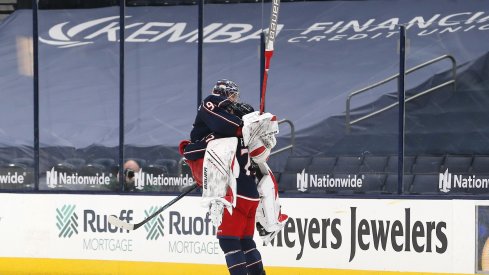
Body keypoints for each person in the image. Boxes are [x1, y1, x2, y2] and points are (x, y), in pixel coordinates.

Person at [179, 79, 287, 275]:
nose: (234, 100)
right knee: (246, 242)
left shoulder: (220, 131)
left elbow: (194, 151)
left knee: (229, 242)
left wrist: (188, 151)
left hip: (233, 194)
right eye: (233, 96)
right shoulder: (247, 132)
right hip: (251, 194)